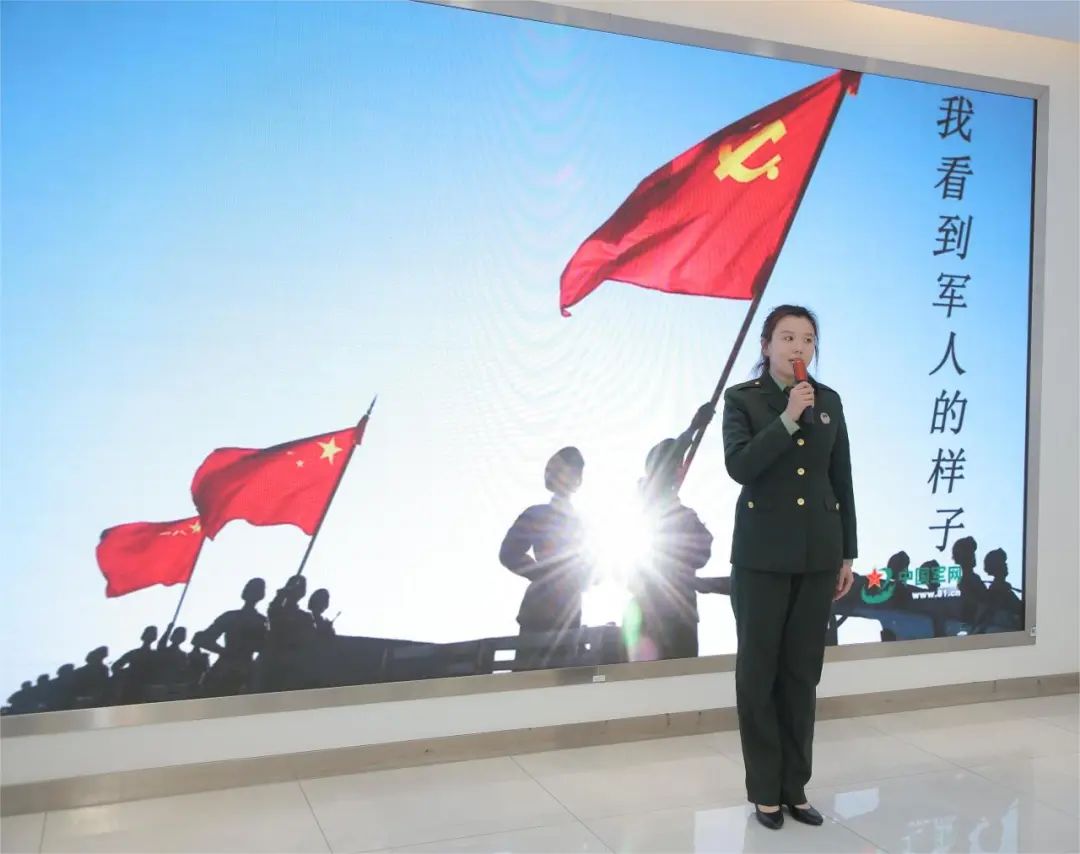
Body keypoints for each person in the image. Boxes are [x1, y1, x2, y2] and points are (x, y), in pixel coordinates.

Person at [721, 304, 856, 830]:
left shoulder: (830, 401)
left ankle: (795, 788)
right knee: (759, 674)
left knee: (802, 673)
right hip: (761, 557)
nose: (799, 347)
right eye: (787, 337)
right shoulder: (744, 399)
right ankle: (765, 792)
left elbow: (841, 478)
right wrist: (786, 418)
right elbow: (741, 466)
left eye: (808, 339)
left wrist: (847, 552)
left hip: (818, 554)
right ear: (766, 345)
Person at [629, 406, 714, 661]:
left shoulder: (685, 516)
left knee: (683, 677)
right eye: (676, 464)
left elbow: (702, 554)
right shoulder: (649, 504)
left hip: (682, 615)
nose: (679, 469)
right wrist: (693, 428)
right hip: (650, 613)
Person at [499, 447, 592, 670]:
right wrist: (543, 574)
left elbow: (595, 572)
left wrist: (578, 577)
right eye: (548, 468)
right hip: (539, 613)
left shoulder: (583, 524)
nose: (549, 472)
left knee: (561, 677)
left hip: (567, 613)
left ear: (576, 479)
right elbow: (508, 553)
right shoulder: (537, 514)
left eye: (557, 468)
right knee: (530, 677)